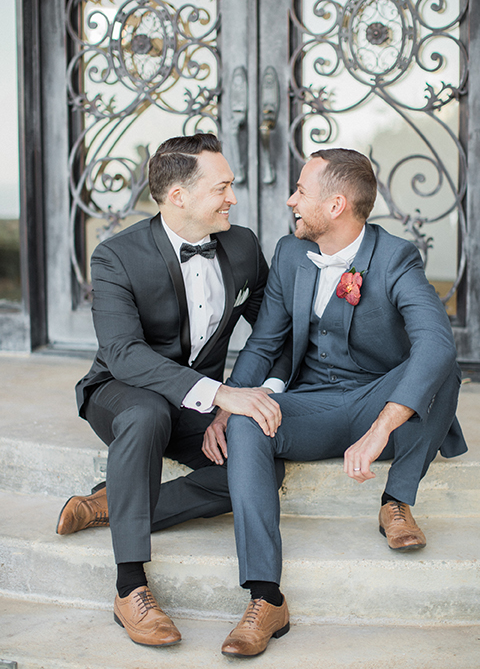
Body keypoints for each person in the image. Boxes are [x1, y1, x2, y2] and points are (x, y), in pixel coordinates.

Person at [204, 147, 467, 658]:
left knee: (443, 367)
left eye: (301, 191)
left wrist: (381, 427)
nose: (290, 200)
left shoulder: (395, 257)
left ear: (337, 204)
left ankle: (397, 501)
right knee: (246, 423)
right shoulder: (289, 252)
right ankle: (265, 597)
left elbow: (436, 342)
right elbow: (265, 342)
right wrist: (227, 404)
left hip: (378, 399)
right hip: (314, 403)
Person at [56, 133, 285, 648]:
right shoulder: (116, 256)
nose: (232, 197)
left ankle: (114, 502)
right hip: (123, 390)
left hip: (196, 400)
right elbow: (122, 353)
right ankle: (129, 585)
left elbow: (275, 330)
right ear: (178, 196)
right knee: (146, 415)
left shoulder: (242, 245)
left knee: (259, 465)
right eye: (222, 187)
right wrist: (218, 394)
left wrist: (243, 394)